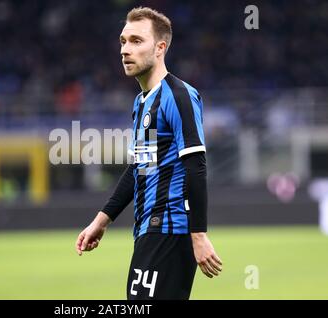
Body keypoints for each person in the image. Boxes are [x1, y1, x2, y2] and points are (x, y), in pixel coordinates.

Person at [75, 6, 222, 300]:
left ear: (160, 48)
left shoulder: (179, 96)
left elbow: (196, 165)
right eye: (123, 41)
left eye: (136, 41)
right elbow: (140, 167)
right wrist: (100, 221)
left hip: (169, 229)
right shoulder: (141, 103)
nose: (125, 50)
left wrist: (199, 234)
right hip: (147, 229)